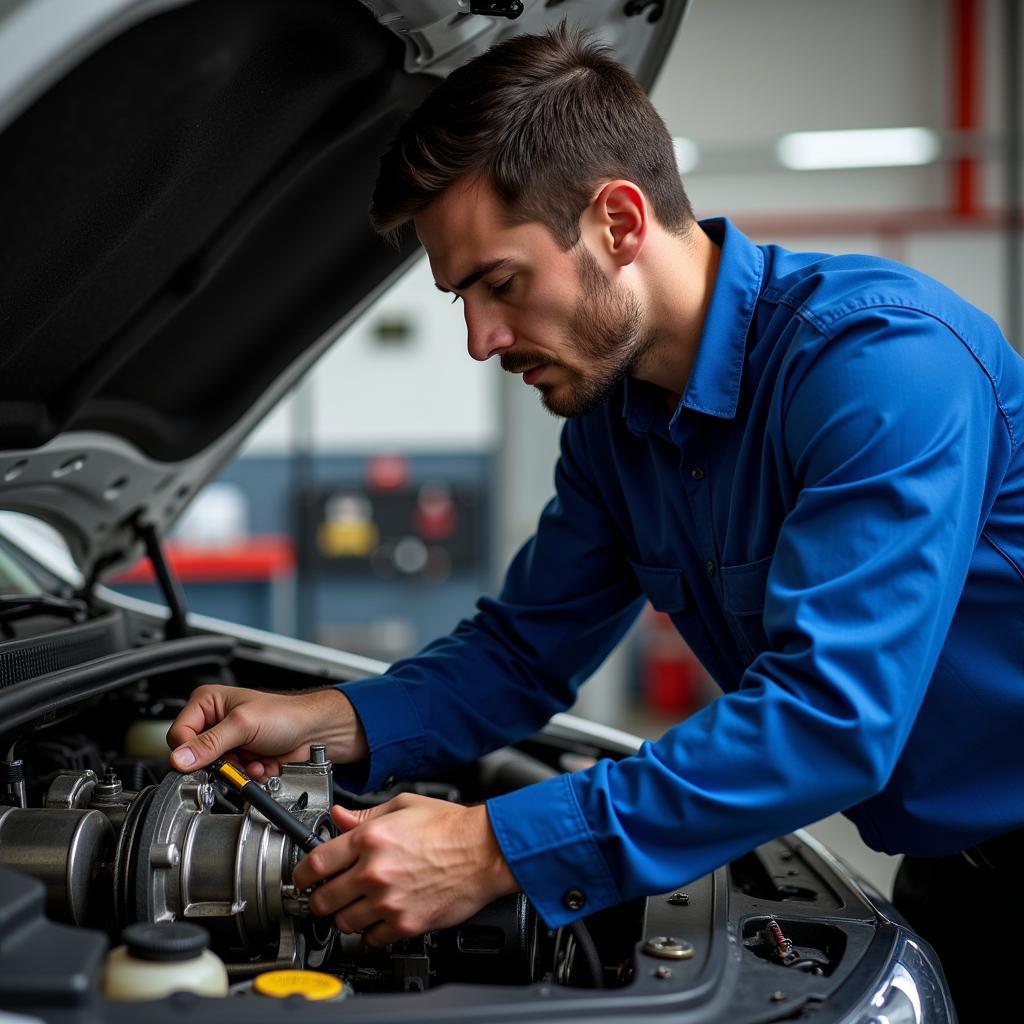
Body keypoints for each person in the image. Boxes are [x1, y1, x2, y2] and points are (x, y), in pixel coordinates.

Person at [168, 24, 1024, 1019]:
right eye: (461, 299)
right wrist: (332, 720)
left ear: (619, 221)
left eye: (501, 283)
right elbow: (521, 654)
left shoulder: (878, 367)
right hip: (948, 875)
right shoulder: (619, 431)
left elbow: (831, 717)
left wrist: (493, 847)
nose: (482, 338)